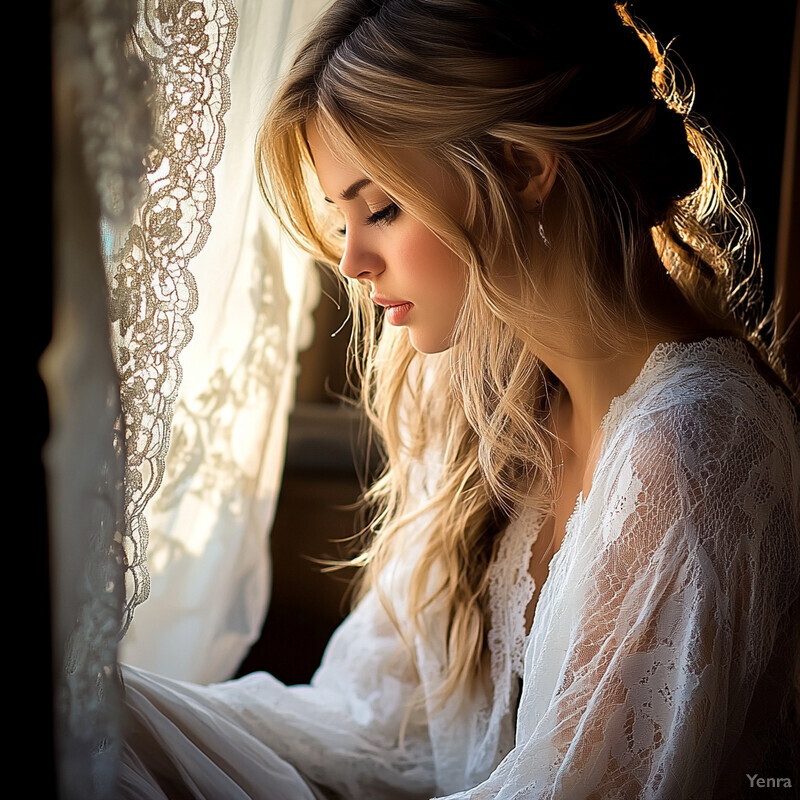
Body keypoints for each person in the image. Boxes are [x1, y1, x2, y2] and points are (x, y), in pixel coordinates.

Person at [120, 1, 800, 797]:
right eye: (341, 219)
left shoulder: (693, 452)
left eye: (381, 209)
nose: (352, 261)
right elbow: (372, 723)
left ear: (521, 165)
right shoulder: (489, 402)